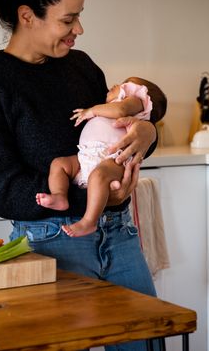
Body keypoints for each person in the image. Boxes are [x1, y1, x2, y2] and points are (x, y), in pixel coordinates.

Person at [0, 0, 166, 351]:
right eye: (67, 19)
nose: (79, 28)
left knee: (146, 342)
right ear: (26, 15)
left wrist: (148, 134)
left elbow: (112, 132)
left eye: (79, 16)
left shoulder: (81, 67)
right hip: (51, 245)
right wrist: (88, 201)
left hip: (120, 234)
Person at [36, 77, 166, 238]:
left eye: (125, 84)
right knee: (59, 164)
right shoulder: (110, 106)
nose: (116, 85)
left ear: (140, 92)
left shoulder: (137, 101)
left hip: (112, 158)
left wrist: (91, 110)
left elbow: (121, 110)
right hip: (86, 156)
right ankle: (60, 196)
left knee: (99, 176)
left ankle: (89, 221)